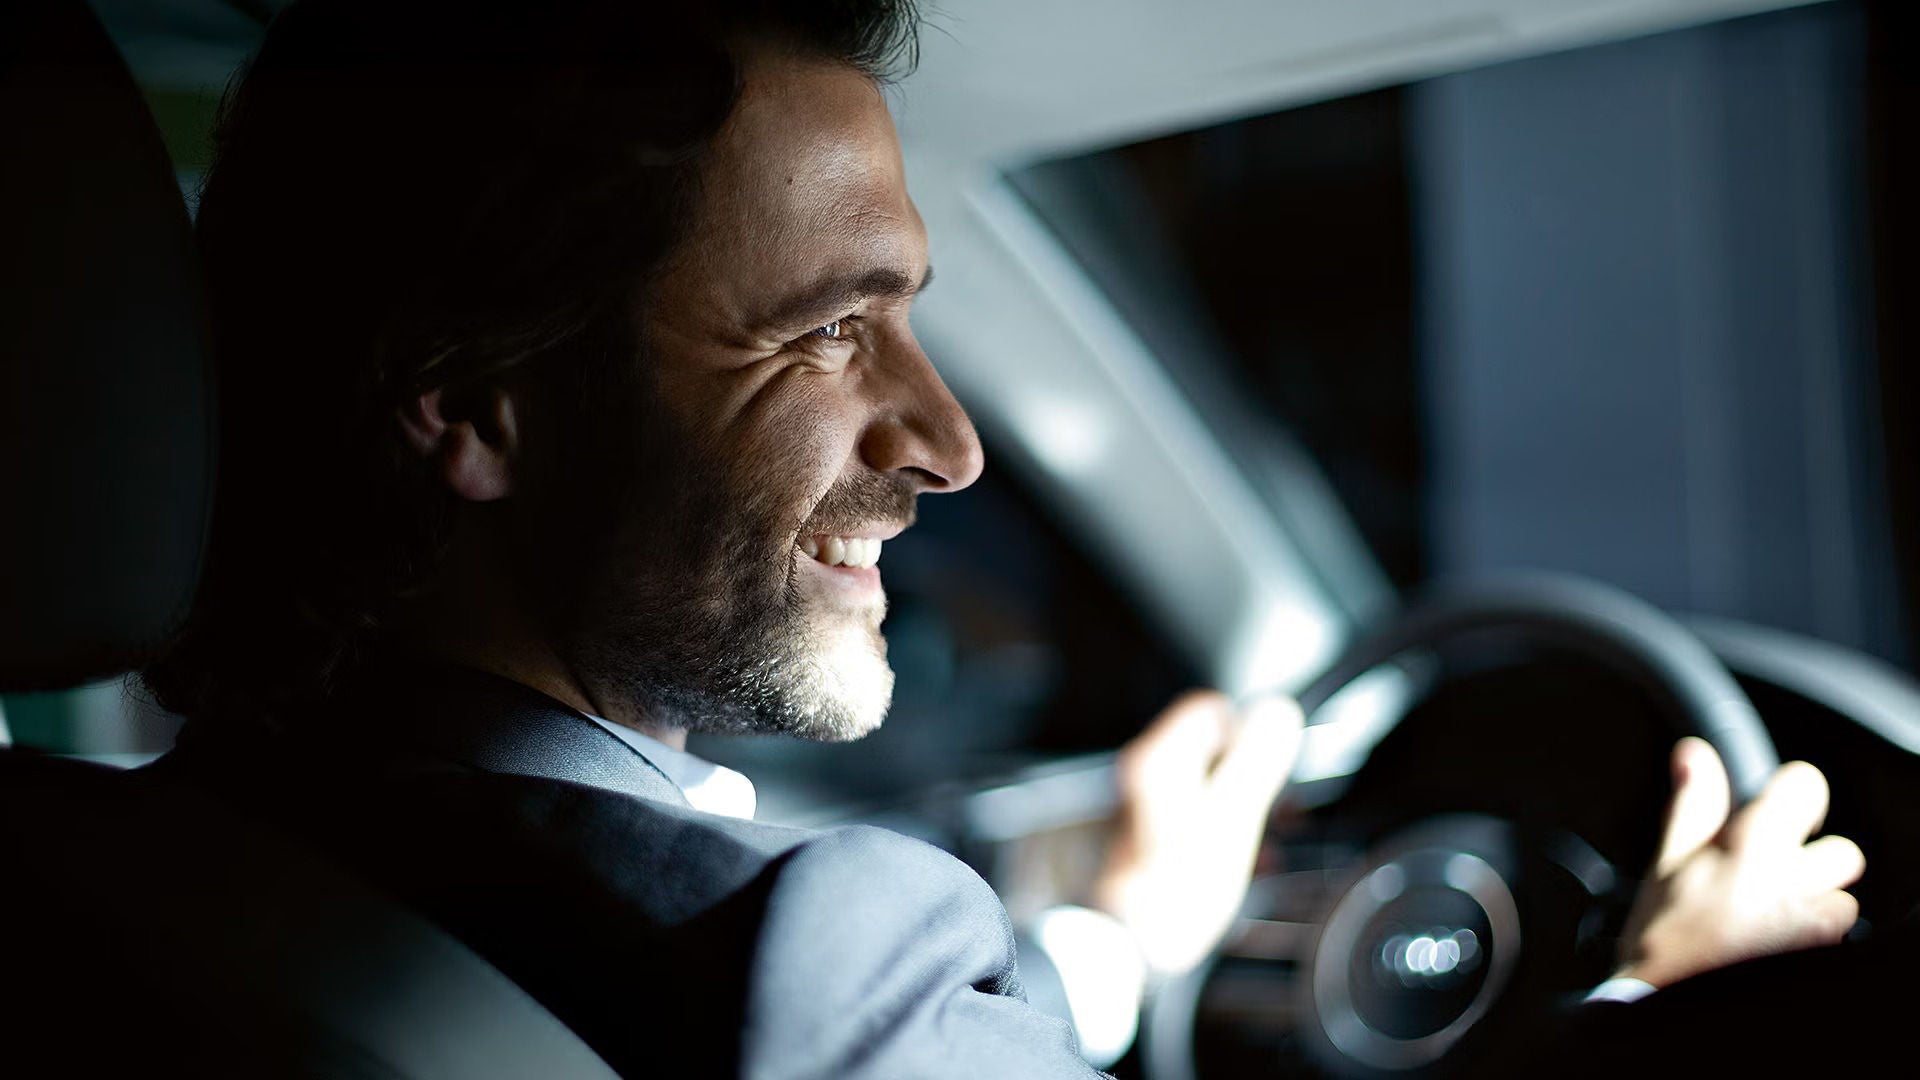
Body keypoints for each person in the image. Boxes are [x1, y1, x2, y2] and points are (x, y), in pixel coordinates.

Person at [142, 0, 1866, 1075]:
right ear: (475, 404)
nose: (951, 444)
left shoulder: (161, 849)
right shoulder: (804, 962)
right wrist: (1650, 1003)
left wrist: (1117, 936)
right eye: (831, 329)